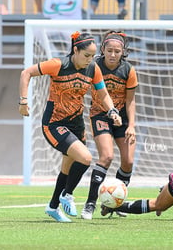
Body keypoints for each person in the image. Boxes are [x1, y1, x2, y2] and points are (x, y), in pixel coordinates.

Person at [19, 31, 122, 223]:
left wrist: (112, 111)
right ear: (75, 50)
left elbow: (104, 94)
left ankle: (52, 206)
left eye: (92, 56)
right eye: (86, 56)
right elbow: (26, 73)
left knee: (67, 168)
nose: (90, 60)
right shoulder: (58, 64)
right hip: (54, 124)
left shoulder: (93, 69)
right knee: (85, 158)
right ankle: (67, 194)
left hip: (76, 125)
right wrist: (23, 101)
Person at [81, 30, 138, 220]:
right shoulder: (93, 66)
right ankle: (90, 204)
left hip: (122, 119)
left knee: (128, 161)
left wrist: (131, 126)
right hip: (100, 115)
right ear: (103, 49)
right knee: (106, 156)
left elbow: (130, 101)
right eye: (109, 50)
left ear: (123, 52)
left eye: (117, 51)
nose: (113, 55)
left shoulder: (128, 70)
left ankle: (114, 204)